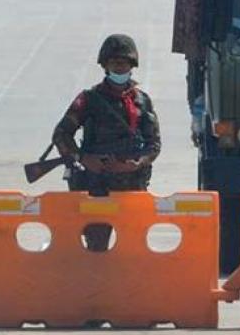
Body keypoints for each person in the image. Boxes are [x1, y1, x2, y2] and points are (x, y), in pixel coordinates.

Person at [51, 34, 161, 250]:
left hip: (131, 186)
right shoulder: (88, 100)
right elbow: (61, 134)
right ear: (105, 66)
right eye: (114, 63)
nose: (119, 68)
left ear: (132, 66)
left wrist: (137, 163)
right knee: (96, 248)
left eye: (124, 63)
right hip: (96, 185)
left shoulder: (142, 101)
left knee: (132, 248)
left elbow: (154, 144)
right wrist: (83, 158)